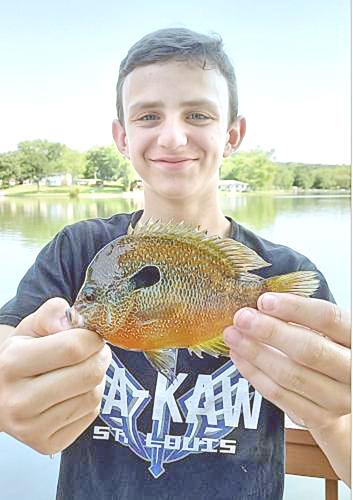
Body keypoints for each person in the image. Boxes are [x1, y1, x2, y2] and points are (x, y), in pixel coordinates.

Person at [0, 27, 350, 500]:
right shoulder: (77, 253)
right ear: (122, 137)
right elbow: (7, 344)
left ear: (232, 135)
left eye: (197, 114)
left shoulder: (280, 276)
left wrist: (334, 416)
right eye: (148, 115)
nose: (173, 135)